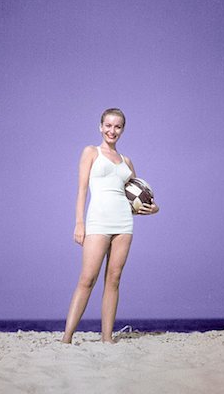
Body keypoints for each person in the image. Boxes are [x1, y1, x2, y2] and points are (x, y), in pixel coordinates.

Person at [62, 108, 159, 344]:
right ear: (100, 127)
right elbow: (82, 189)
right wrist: (79, 223)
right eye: (108, 125)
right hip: (98, 221)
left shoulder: (127, 161)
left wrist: (154, 208)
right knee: (87, 279)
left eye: (117, 127)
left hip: (124, 223)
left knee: (114, 279)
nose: (111, 130)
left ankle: (107, 338)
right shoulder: (91, 152)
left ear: (122, 130)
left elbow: (139, 195)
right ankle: (66, 339)